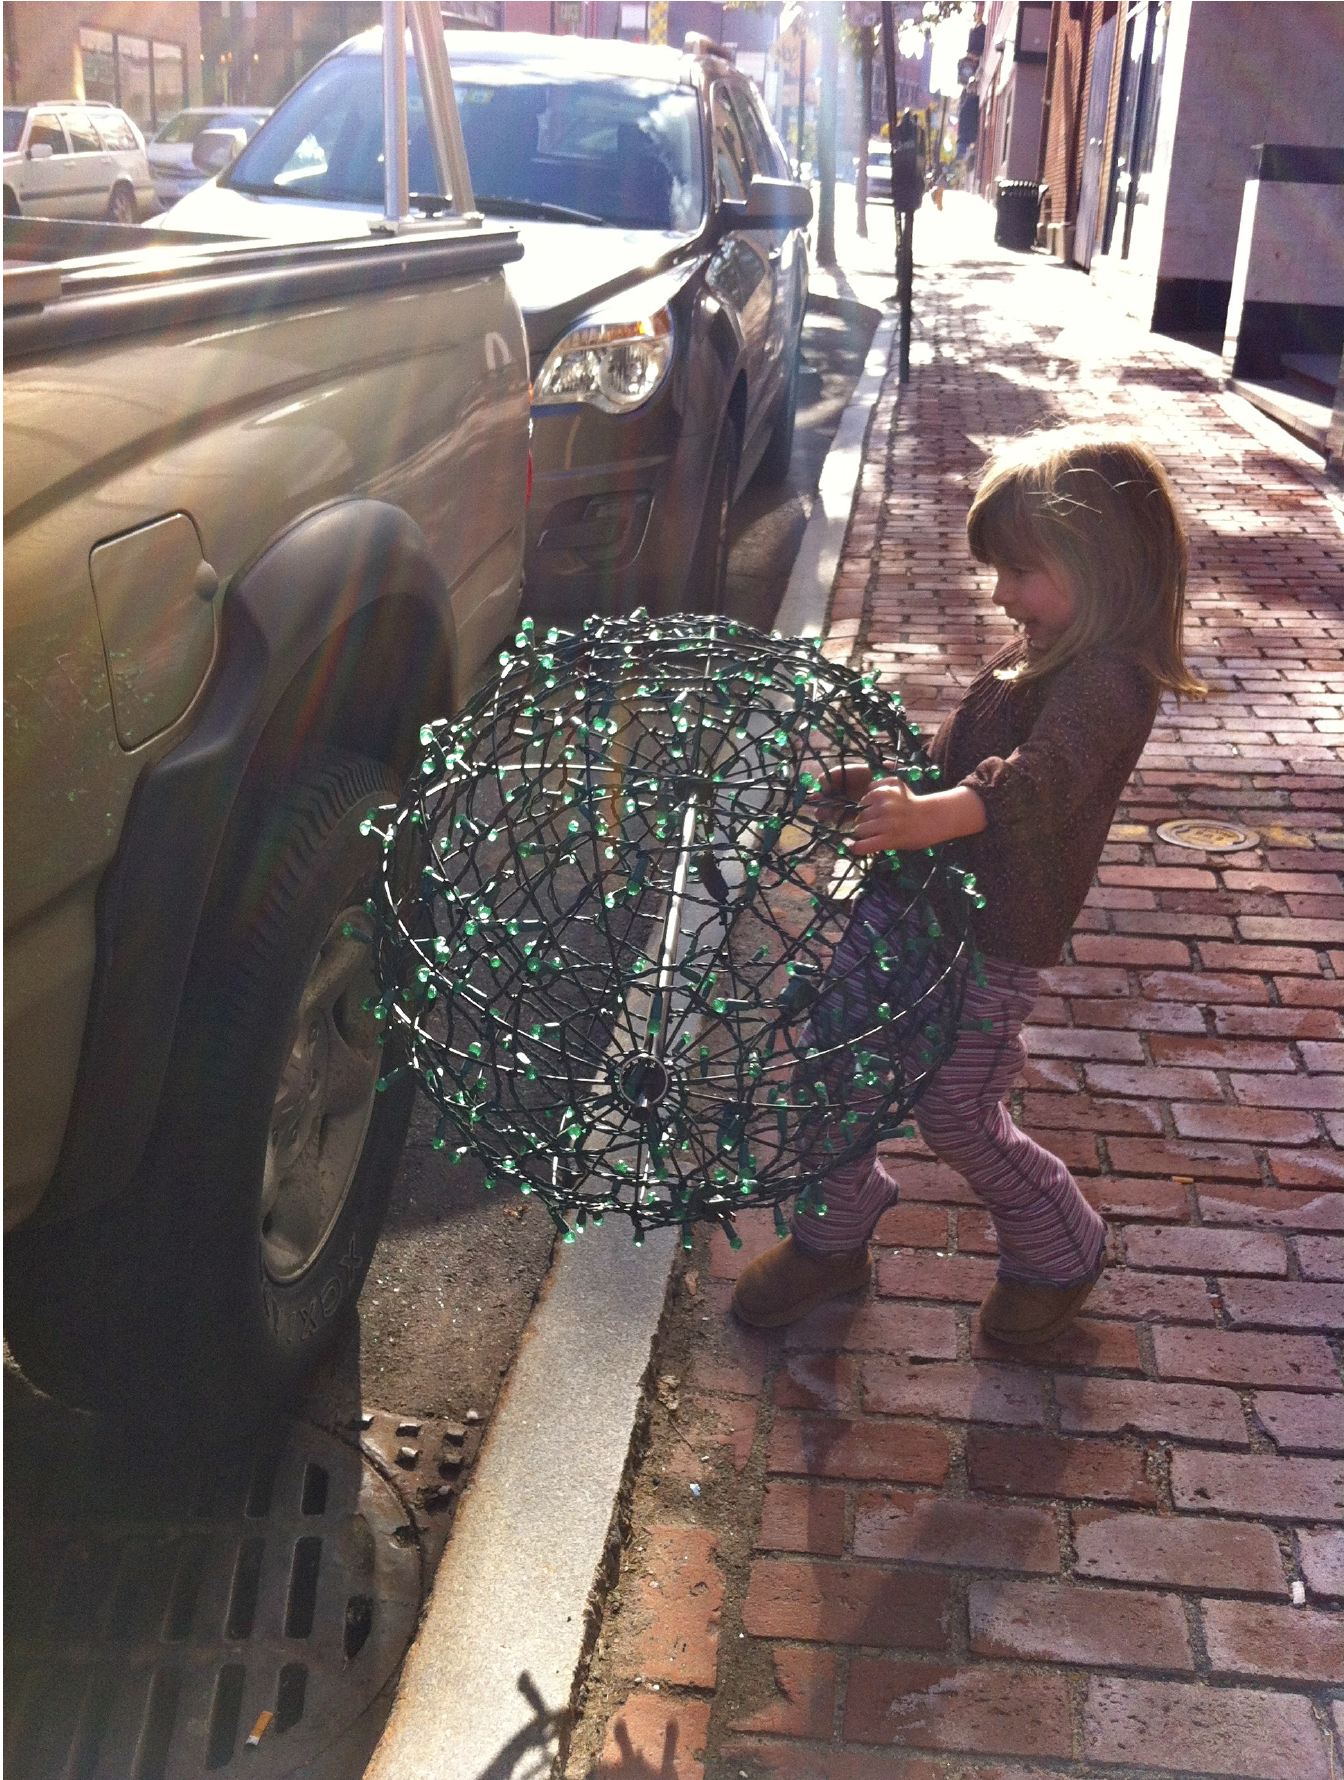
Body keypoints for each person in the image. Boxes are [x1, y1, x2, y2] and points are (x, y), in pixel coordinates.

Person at [732, 426, 1203, 1344]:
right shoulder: (1033, 647)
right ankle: (830, 1240)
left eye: (1021, 571)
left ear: (1102, 565)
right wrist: (887, 789)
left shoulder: (1111, 680)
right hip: (906, 907)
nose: (1001, 594)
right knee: (835, 1065)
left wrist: (936, 815)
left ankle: (1060, 1247)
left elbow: (1037, 781)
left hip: (992, 941)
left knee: (955, 1107)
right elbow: (955, 762)